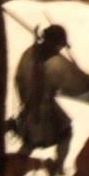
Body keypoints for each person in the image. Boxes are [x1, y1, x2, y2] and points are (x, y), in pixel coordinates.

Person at [13, 24, 73, 168]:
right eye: (59, 45)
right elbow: (26, 80)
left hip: (39, 104)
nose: (60, 49)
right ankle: (15, 167)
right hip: (37, 106)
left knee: (63, 131)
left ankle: (57, 166)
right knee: (33, 141)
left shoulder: (37, 53)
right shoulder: (38, 57)